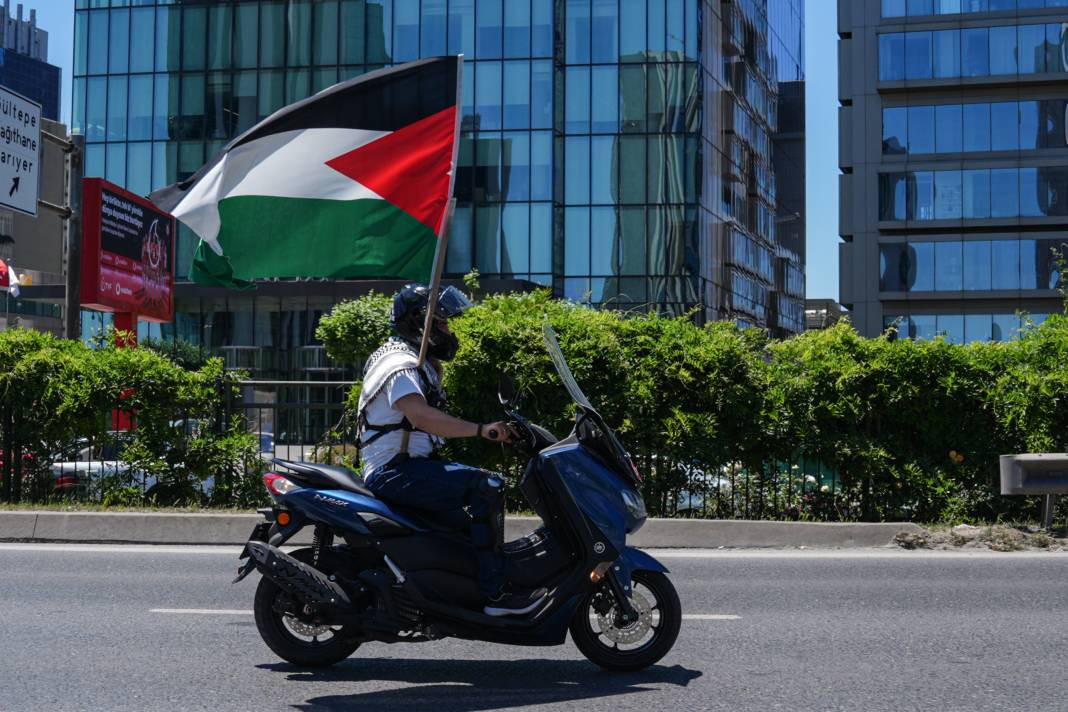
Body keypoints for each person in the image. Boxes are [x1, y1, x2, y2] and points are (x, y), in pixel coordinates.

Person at [357, 283, 546, 617]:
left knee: (465, 529)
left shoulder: (415, 362)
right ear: (421, 324)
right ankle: (496, 595)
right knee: (487, 486)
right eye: (442, 323)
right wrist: (481, 430)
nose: (448, 331)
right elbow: (422, 417)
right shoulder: (400, 365)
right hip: (394, 471)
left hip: (408, 467)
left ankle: (457, 599)